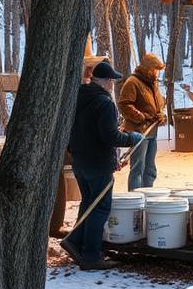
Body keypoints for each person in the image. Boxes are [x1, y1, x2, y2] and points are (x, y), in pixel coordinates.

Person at [61, 60, 142, 270]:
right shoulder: (104, 103)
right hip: (97, 164)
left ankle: (75, 241)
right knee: (100, 208)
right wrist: (132, 138)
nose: (113, 84)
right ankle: (91, 255)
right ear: (105, 81)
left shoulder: (77, 98)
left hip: (80, 161)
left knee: (89, 203)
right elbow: (110, 136)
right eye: (112, 81)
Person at [49, 54, 108, 238]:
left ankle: (68, 233)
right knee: (90, 200)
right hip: (70, 146)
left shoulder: (81, 91)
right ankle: (61, 230)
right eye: (89, 69)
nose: (89, 74)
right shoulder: (75, 91)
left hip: (73, 147)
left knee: (78, 195)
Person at [119, 53, 167, 190]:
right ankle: (136, 196)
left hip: (152, 131)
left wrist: (161, 116)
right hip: (138, 132)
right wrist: (140, 117)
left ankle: (148, 194)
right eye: (155, 70)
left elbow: (159, 104)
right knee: (138, 168)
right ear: (148, 69)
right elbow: (124, 104)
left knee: (150, 169)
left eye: (157, 70)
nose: (156, 73)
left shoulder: (153, 84)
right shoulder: (132, 82)